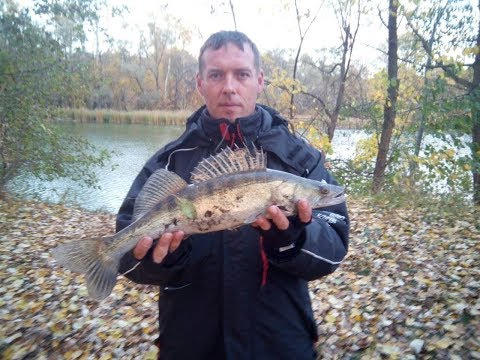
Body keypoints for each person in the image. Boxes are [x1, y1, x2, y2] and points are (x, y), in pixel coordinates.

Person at [116, 30, 349, 360]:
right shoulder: (168, 163)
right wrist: (161, 259)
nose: (229, 87)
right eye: (216, 75)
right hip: (191, 347)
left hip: (279, 345)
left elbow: (335, 249)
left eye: (241, 74)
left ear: (259, 79)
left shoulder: (299, 160)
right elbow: (127, 259)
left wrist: (295, 238)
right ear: (200, 83)